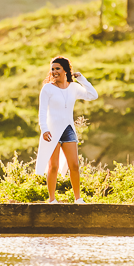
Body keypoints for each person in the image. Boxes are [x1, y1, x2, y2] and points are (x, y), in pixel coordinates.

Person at [36, 56, 97, 203]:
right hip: (52, 131)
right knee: (53, 166)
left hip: (68, 130)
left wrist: (81, 79)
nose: (54, 71)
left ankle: (78, 199)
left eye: (57, 68)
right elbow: (42, 111)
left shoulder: (73, 87)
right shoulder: (47, 88)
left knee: (74, 165)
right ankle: (52, 200)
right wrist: (44, 129)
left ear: (65, 70)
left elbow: (93, 95)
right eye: (52, 69)